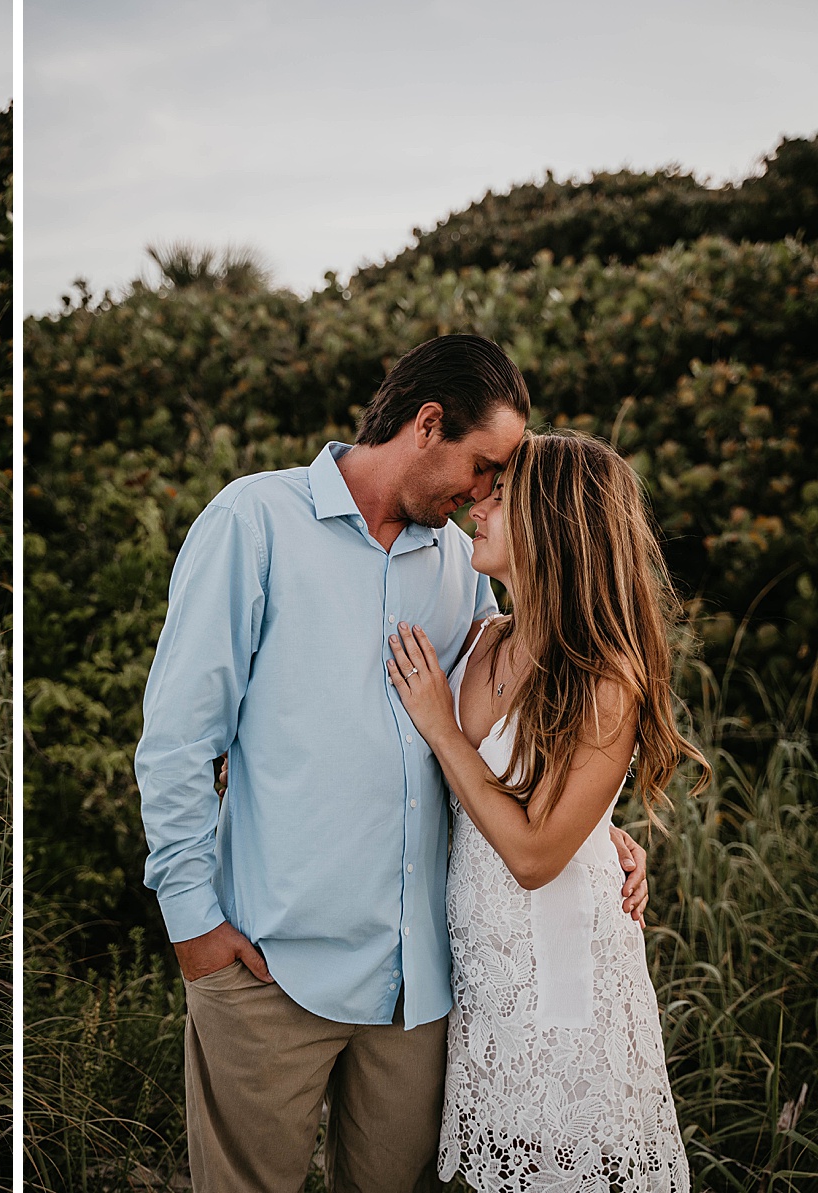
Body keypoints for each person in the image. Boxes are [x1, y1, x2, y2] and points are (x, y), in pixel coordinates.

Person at [135, 334, 651, 1191]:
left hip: (420, 991)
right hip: (269, 969)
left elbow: (514, 726)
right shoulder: (252, 521)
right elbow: (179, 739)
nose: (487, 494)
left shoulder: (461, 567)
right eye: (485, 466)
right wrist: (193, 925)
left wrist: (598, 828)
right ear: (427, 422)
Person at [386, 430, 701, 1191]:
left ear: (552, 522)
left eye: (501, 495)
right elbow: (506, 796)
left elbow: (531, 856)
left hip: (564, 980)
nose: (478, 504)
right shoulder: (486, 637)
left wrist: (438, 723)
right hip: (484, 984)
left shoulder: (604, 676)